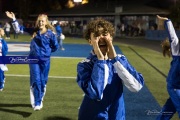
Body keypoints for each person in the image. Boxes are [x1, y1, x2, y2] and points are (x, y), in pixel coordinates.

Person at [76, 18, 144, 120]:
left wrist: (115, 60)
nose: (101, 38)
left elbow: (136, 86)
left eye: (104, 34)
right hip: (92, 115)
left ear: (111, 38)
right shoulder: (84, 65)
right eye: (96, 35)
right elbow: (95, 93)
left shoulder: (121, 60)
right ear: (90, 41)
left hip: (116, 114)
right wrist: (101, 61)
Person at [5, 11, 59, 111]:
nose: (40, 23)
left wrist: (46, 52)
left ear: (46, 22)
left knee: (43, 82)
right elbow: (19, 30)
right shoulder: (34, 31)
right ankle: (37, 103)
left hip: (45, 60)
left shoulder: (51, 34)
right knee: (37, 80)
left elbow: (55, 47)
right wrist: (13, 19)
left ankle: (40, 98)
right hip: (33, 59)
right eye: (39, 21)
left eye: (42, 21)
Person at [156, 15, 180, 120]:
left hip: (176, 86)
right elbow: (173, 37)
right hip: (175, 86)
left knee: (167, 111)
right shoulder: (177, 50)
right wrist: (167, 21)